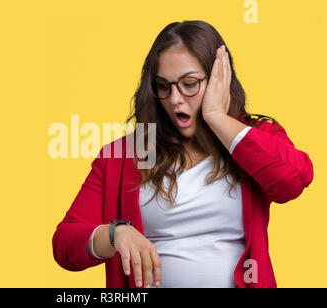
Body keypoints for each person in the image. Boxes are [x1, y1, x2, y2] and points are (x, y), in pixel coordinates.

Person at [52, 20, 314, 288]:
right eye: (164, 86)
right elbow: (64, 244)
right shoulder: (125, 155)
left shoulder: (250, 137)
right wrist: (115, 233)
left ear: (218, 80)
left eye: (189, 84)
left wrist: (217, 118)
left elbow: (291, 182)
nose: (175, 99)